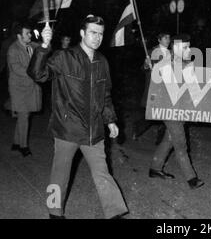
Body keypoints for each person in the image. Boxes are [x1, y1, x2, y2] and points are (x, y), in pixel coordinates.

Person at [27, 15, 128, 219]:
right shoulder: (65, 57)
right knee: (59, 174)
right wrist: (44, 46)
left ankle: (115, 213)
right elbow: (37, 74)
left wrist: (110, 120)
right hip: (67, 128)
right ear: (82, 33)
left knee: (102, 173)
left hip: (93, 129)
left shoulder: (102, 61)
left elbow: (105, 95)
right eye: (93, 32)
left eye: (100, 34)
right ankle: (54, 212)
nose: (97, 37)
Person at [149, 33, 204, 189]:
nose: (189, 50)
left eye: (189, 46)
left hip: (181, 109)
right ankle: (191, 179)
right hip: (170, 110)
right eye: (185, 47)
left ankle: (155, 168)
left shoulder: (187, 64)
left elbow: (192, 88)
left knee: (169, 140)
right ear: (176, 48)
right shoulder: (166, 64)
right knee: (180, 143)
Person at [7, 23, 42, 156]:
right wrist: (34, 72)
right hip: (19, 88)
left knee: (24, 115)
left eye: (29, 33)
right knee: (24, 115)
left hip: (30, 87)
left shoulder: (32, 45)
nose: (30, 35)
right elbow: (16, 68)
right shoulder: (13, 49)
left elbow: (46, 48)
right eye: (27, 33)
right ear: (19, 36)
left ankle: (16, 143)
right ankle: (23, 146)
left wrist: (46, 40)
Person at [134, 32, 170, 144]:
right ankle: (137, 129)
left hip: (167, 89)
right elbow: (143, 69)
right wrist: (146, 65)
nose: (168, 40)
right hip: (154, 88)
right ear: (159, 40)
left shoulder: (172, 53)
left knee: (166, 116)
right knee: (150, 115)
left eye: (169, 38)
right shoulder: (151, 52)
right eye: (165, 38)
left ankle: (160, 141)